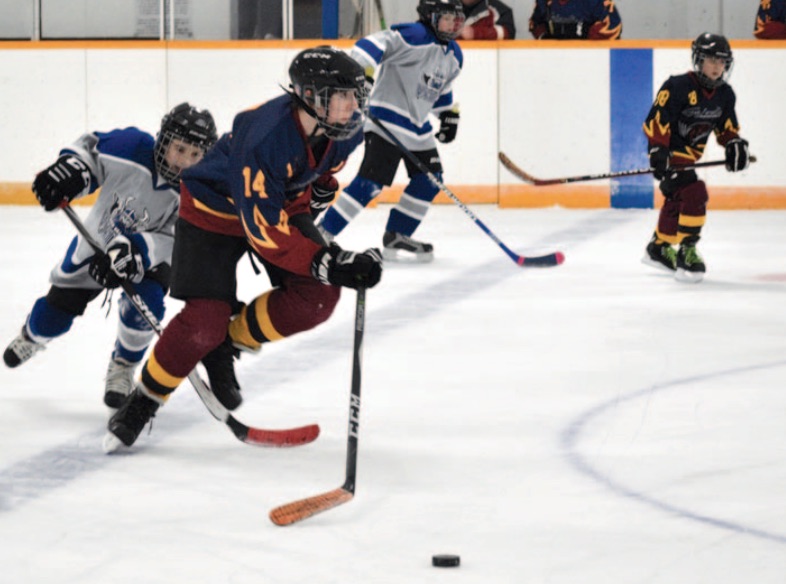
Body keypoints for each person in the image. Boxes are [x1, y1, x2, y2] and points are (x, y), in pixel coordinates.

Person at [105, 46, 383, 449]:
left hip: (279, 204)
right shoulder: (264, 138)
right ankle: (144, 399)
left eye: (356, 96)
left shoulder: (345, 128)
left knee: (319, 297)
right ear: (310, 97)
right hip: (212, 209)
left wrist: (322, 218)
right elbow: (265, 232)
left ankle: (227, 342)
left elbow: (323, 170)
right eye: (342, 97)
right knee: (202, 323)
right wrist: (327, 259)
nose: (353, 107)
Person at [3, 103, 217, 410]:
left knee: (145, 310)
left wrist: (137, 251)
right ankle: (32, 335)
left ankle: (123, 366)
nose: (184, 162)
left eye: (195, 155)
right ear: (163, 140)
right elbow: (90, 151)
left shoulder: (200, 190)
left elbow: (182, 240)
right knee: (54, 317)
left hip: (148, 260)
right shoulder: (132, 147)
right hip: (96, 244)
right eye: (179, 149)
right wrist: (71, 172)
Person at [316, 0, 465, 263]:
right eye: (447, 18)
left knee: (429, 181)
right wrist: (363, 74)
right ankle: (322, 233)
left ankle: (398, 233)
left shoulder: (454, 54)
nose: (453, 25)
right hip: (386, 121)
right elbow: (368, 46)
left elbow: (438, 88)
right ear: (430, 16)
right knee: (370, 184)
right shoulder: (414, 35)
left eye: (457, 20)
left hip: (418, 129)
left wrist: (448, 115)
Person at [641, 33, 750, 283]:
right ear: (699, 60)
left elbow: (727, 128)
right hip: (669, 153)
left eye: (722, 62)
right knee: (695, 192)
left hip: (688, 157)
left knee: (678, 197)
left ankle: (658, 247)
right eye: (712, 60)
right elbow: (657, 119)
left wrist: (734, 144)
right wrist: (658, 150)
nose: (717, 67)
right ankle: (688, 248)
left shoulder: (725, 95)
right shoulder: (677, 86)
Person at [529, 0, 621, 40]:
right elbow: (536, 24)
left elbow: (613, 25)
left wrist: (586, 36)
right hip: (555, 59)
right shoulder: (544, 2)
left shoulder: (594, 1)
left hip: (587, 60)